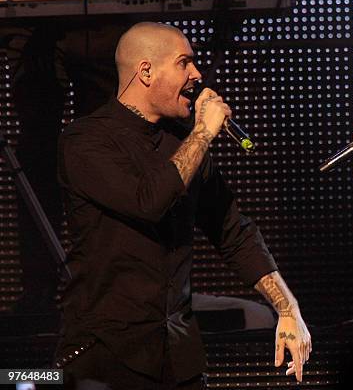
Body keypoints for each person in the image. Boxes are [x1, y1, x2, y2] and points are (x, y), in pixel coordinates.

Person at [55, 22, 311, 389]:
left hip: (179, 356)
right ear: (145, 72)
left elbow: (234, 232)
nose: (197, 74)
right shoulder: (84, 140)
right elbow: (148, 201)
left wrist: (288, 308)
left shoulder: (184, 143)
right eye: (184, 63)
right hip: (105, 357)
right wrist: (203, 132)